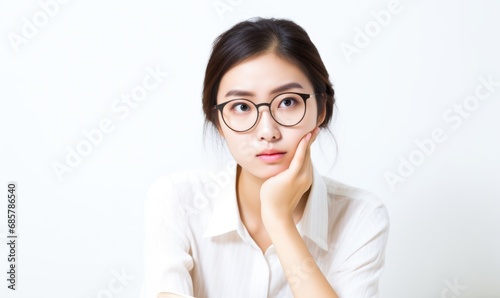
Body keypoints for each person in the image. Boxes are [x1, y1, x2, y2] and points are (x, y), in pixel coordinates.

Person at [141, 17, 390, 298]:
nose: (267, 131)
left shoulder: (362, 215)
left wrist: (279, 220)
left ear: (320, 110)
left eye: (287, 102)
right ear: (218, 121)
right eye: (241, 106)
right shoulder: (178, 200)